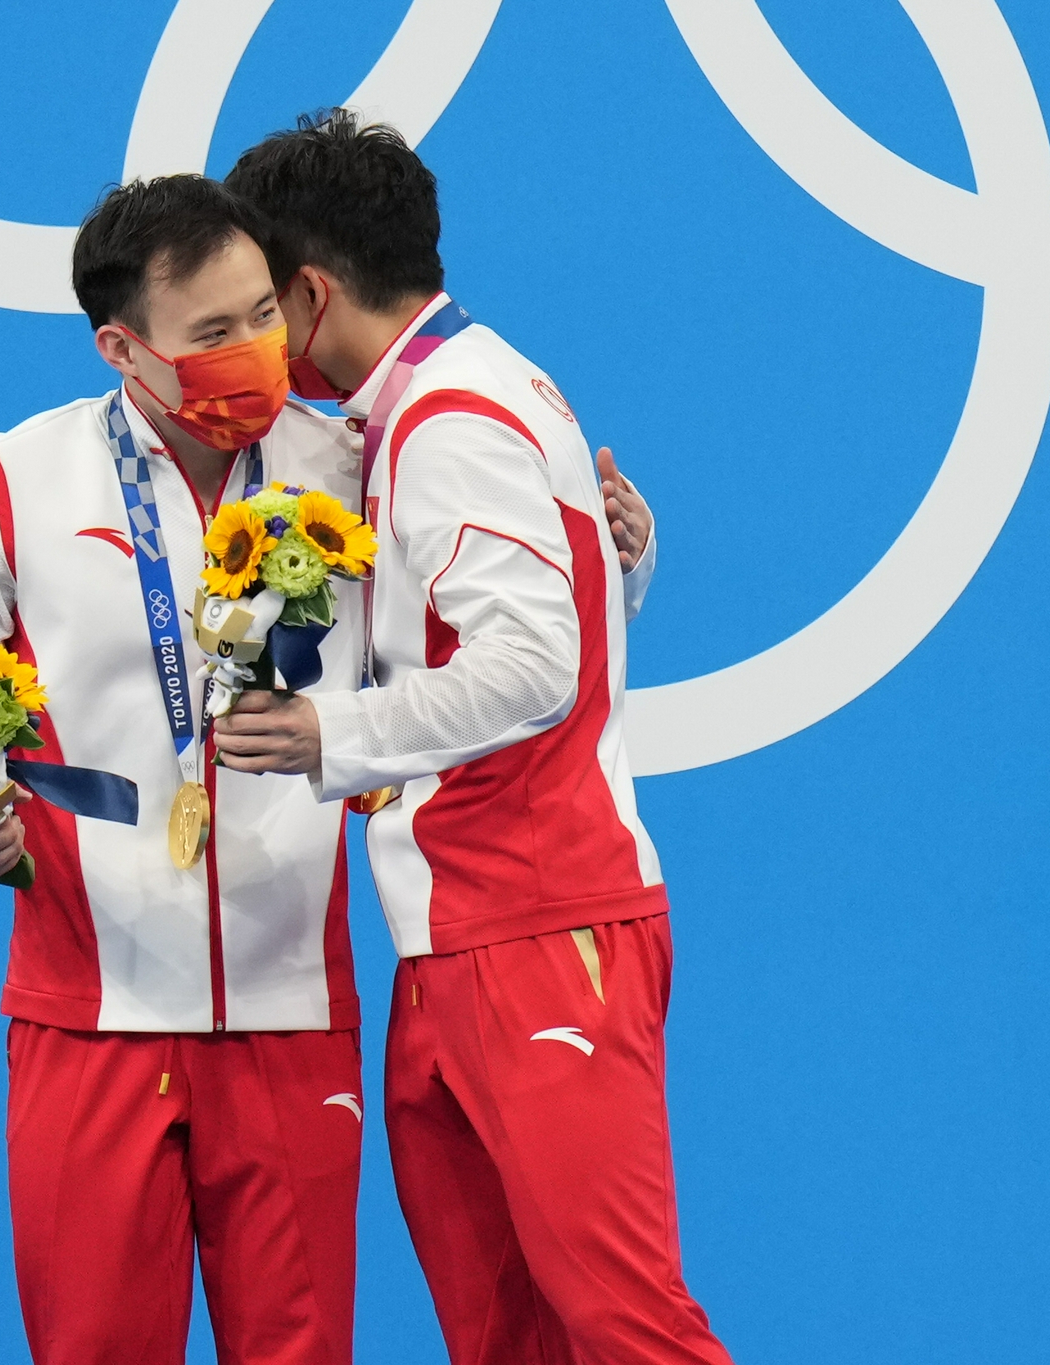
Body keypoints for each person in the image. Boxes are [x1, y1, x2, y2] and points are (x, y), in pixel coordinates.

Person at [216, 112, 733, 1365]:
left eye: (253, 312)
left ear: (309, 290)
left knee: (626, 1330)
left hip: (539, 925)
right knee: (505, 1338)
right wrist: (630, 563)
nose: (249, 345)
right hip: (456, 934)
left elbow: (531, 668)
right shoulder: (458, 394)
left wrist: (326, 736)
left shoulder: (451, 417)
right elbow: (541, 628)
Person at [0, 174, 369, 1365]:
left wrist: (619, 555)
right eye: (211, 335)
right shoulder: (13, 480)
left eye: (261, 314)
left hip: (291, 1013)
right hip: (87, 1018)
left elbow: (484, 644)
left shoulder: (351, 464)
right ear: (122, 348)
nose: (254, 351)